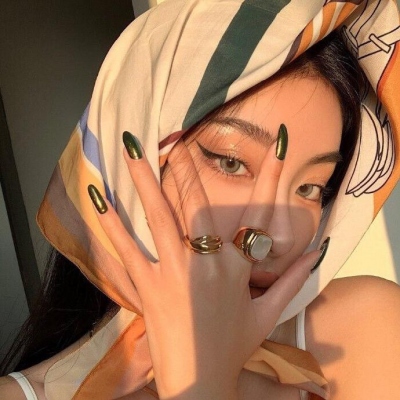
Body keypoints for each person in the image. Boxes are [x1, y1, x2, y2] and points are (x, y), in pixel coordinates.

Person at [1, 0, 400, 399]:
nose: (278, 237)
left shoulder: (365, 332)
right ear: (127, 161)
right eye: (231, 162)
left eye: (311, 188)